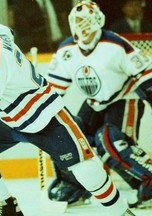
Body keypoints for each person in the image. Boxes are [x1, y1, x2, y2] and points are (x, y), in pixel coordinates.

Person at [0, 2, 135, 215]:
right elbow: (7, 31)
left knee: (85, 167)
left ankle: (121, 212)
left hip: (45, 117)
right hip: (10, 118)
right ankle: (8, 208)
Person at [45, 0, 152, 210]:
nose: (80, 26)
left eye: (85, 21)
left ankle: (147, 181)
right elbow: (52, 91)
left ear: (97, 21)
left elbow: (146, 76)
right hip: (94, 103)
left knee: (109, 139)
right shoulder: (67, 50)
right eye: (76, 21)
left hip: (123, 99)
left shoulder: (115, 44)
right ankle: (77, 185)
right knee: (67, 134)